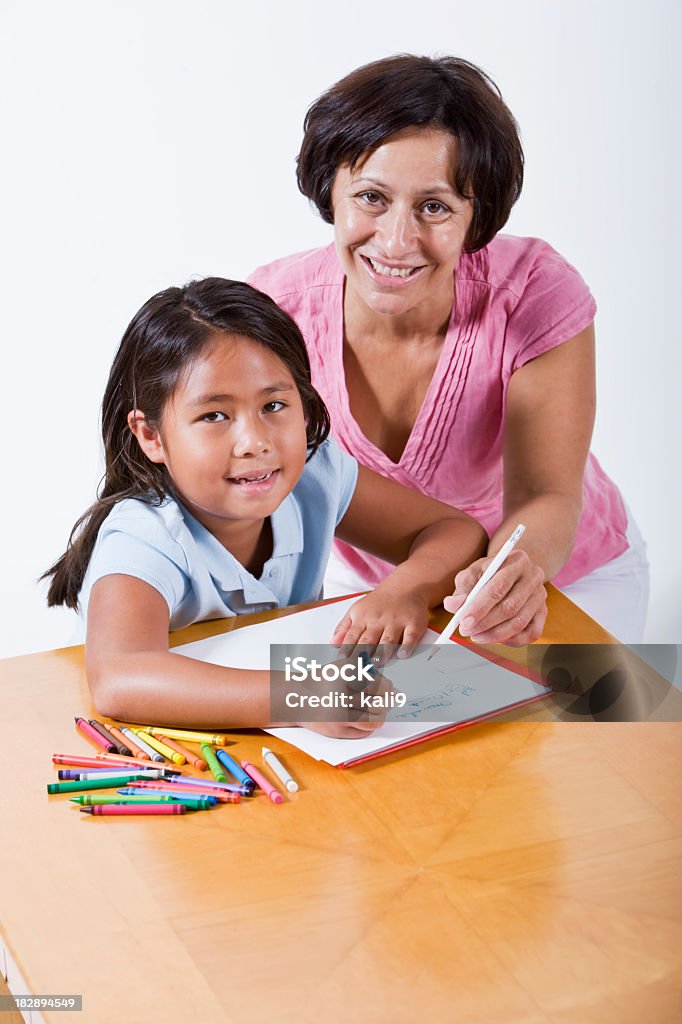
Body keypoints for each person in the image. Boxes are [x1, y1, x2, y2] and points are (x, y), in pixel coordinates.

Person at [248, 54, 649, 644]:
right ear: (329, 190)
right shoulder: (272, 314)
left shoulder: (534, 292)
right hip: (373, 591)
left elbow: (545, 494)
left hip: (558, 577)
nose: (396, 240)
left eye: (434, 206)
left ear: (476, 217)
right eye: (371, 198)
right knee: (366, 732)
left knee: (572, 735)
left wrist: (513, 571)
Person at [43, 278, 486, 737]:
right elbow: (119, 679)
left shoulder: (315, 473)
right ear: (151, 435)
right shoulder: (143, 535)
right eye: (214, 415)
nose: (255, 442)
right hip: (169, 761)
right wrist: (302, 696)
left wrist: (405, 590)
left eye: (274, 404)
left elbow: (454, 530)